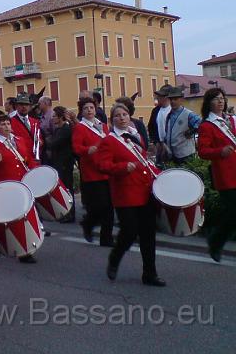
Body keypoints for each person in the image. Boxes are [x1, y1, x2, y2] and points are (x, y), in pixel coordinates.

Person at [96, 103, 165, 287]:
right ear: (112, 120)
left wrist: (158, 175)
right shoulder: (109, 141)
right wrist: (121, 167)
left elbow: (144, 161)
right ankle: (115, 257)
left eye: (124, 114)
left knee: (148, 234)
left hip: (144, 190)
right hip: (125, 193)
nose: (122, 118)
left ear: (129, 116)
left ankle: (150, 274)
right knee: (129, 232)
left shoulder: (136, 136)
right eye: (117, 115)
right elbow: (103, 165)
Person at [0, 114, 39, 260]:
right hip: (6, 186)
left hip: (22, 184)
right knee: (8, 218)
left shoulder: (19, 140)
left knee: (23, 216)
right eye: (2, 124)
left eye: (8, 123)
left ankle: (26, 251)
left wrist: (35, 171)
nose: (7, 126)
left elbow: (29, 159)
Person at [197, 88, 236, 263]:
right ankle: (216, 240)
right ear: (209, 103)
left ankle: (216, 238)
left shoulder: (231, 120)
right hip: (225, 174)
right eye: (216, 99)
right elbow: (203, 151)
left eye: (222, 98)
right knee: (233, 211)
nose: (220, 101)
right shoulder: (207, 125)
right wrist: (220, 151)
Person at [72, 97, 113, 246]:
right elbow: (76, 148)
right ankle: (88, 223)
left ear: (95, 110)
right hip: (92, 171)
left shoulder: (103, 126)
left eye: (91, 108)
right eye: (86, 108)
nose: (89, 110)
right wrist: (88, 150)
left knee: (109, 206)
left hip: (106, 169)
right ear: (81, 112)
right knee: (99, 206)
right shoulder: (80, 127)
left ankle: (106, 238)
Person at [47, 106, 75, 223]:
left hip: (64, 163)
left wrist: (48, 140)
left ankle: (70, 214)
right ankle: (65, 212)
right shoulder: (59, 129)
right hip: (59, 162)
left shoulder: (65, 129)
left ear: (60, 117)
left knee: (67, 188)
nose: (52, 118)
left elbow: (54, 143)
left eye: (54, 116)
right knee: (63, 188)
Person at [10, 93, 42, 163]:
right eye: (21, 104)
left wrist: (40, 142)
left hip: (35, 159)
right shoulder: (10, 122)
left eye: (26, 104)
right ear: (16, 106)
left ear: (30, 107)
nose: (24, 107)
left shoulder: (36, 122)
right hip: (20, 160)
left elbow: (40, 138)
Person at [147, 84, 173, 166]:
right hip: (159, 146)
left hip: (172, 145)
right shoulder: (155, 110)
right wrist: (155, 142)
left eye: (159, 96)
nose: (157, 98)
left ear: (166, 97)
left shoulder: (174, 110)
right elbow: (151, 127)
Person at [38, 96, 54, 164]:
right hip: (45, 149)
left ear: (45, 103)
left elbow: (55, 133)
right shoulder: (42, 116)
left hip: (51, 150)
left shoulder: (52, 116)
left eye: (39, 104)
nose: (38, 106)